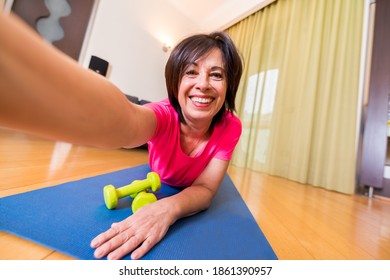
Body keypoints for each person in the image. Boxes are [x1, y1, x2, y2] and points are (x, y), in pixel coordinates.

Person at [0, 12, 243, 260]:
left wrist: (167, 208)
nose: (203, 84)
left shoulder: (231, 126)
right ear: (175, 82)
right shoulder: (162, 115)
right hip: (160, 177)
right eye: (191, 72)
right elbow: (127, 120)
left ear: (229, 86)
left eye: (216, 74)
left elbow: (205, 188)